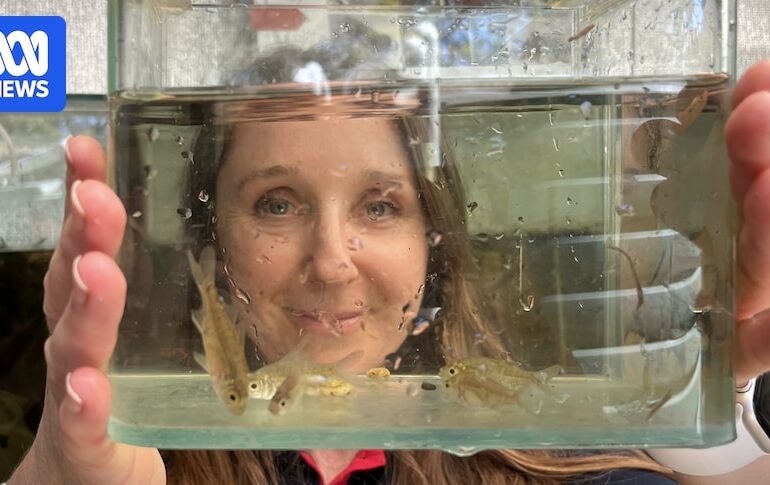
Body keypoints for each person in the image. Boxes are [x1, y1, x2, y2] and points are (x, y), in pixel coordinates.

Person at [8, 59, 770, 484]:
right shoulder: (142, 451)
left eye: (379, 206)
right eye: (277, 204)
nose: (331, 260)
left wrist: (713, 414)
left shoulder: (534, 437)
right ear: (212, 241)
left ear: (433, 239)